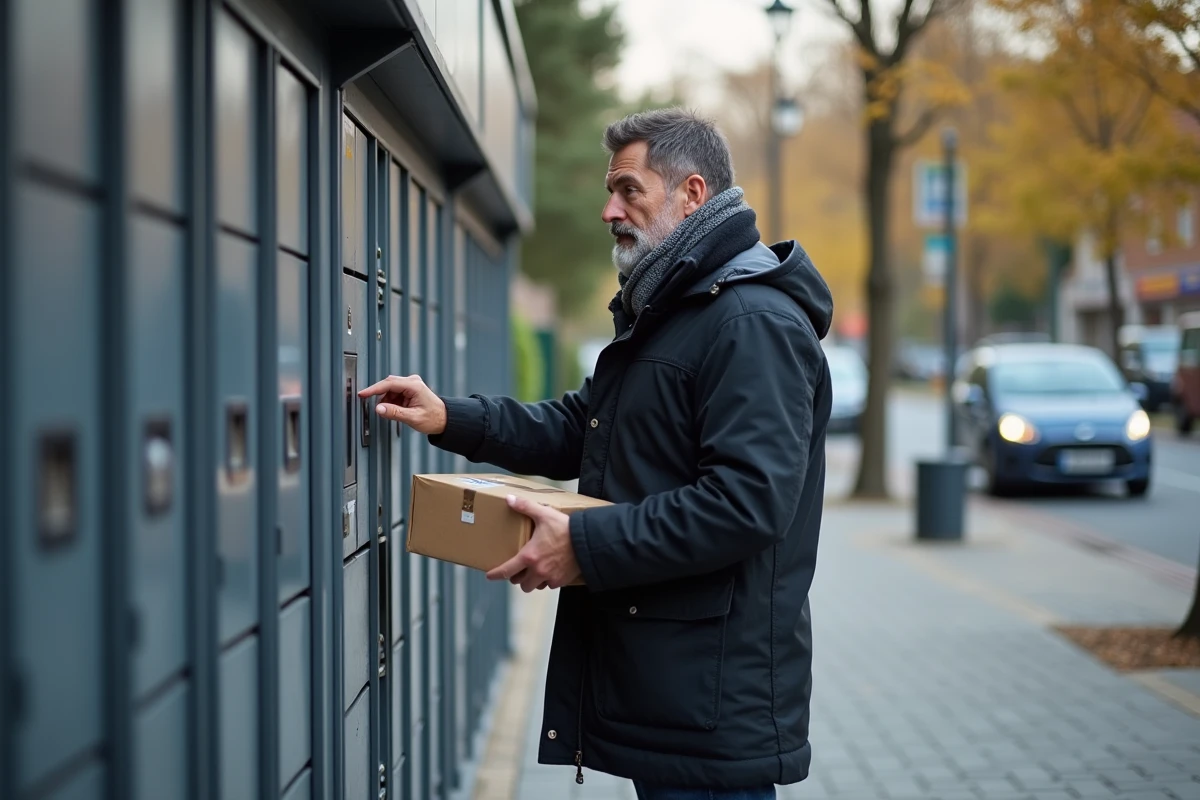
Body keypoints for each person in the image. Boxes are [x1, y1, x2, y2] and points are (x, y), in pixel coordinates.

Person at [359, 108, 833, 800]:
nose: (609, 209)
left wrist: (586, 543)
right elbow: (584, 426)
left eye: (629, 190)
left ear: (692, 193)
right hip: (673, 688)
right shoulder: (677, 312)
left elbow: (747, 503)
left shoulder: (749, 322)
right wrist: (448, 418)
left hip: (711, 700)